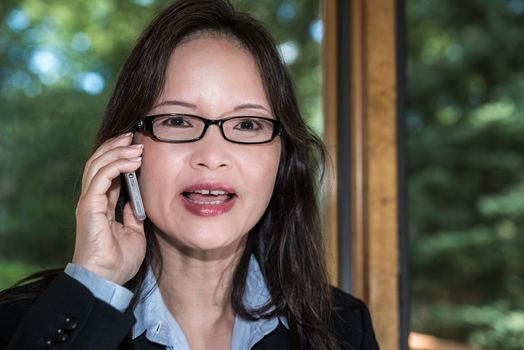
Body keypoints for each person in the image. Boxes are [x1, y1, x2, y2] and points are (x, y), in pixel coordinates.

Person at [0, 1, 379, 349]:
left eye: (247, 123)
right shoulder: (31, 324)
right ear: (126, 150)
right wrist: (95, 284)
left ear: (283, 157)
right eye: (177, 120)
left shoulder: (345, 329)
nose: (211, 156)